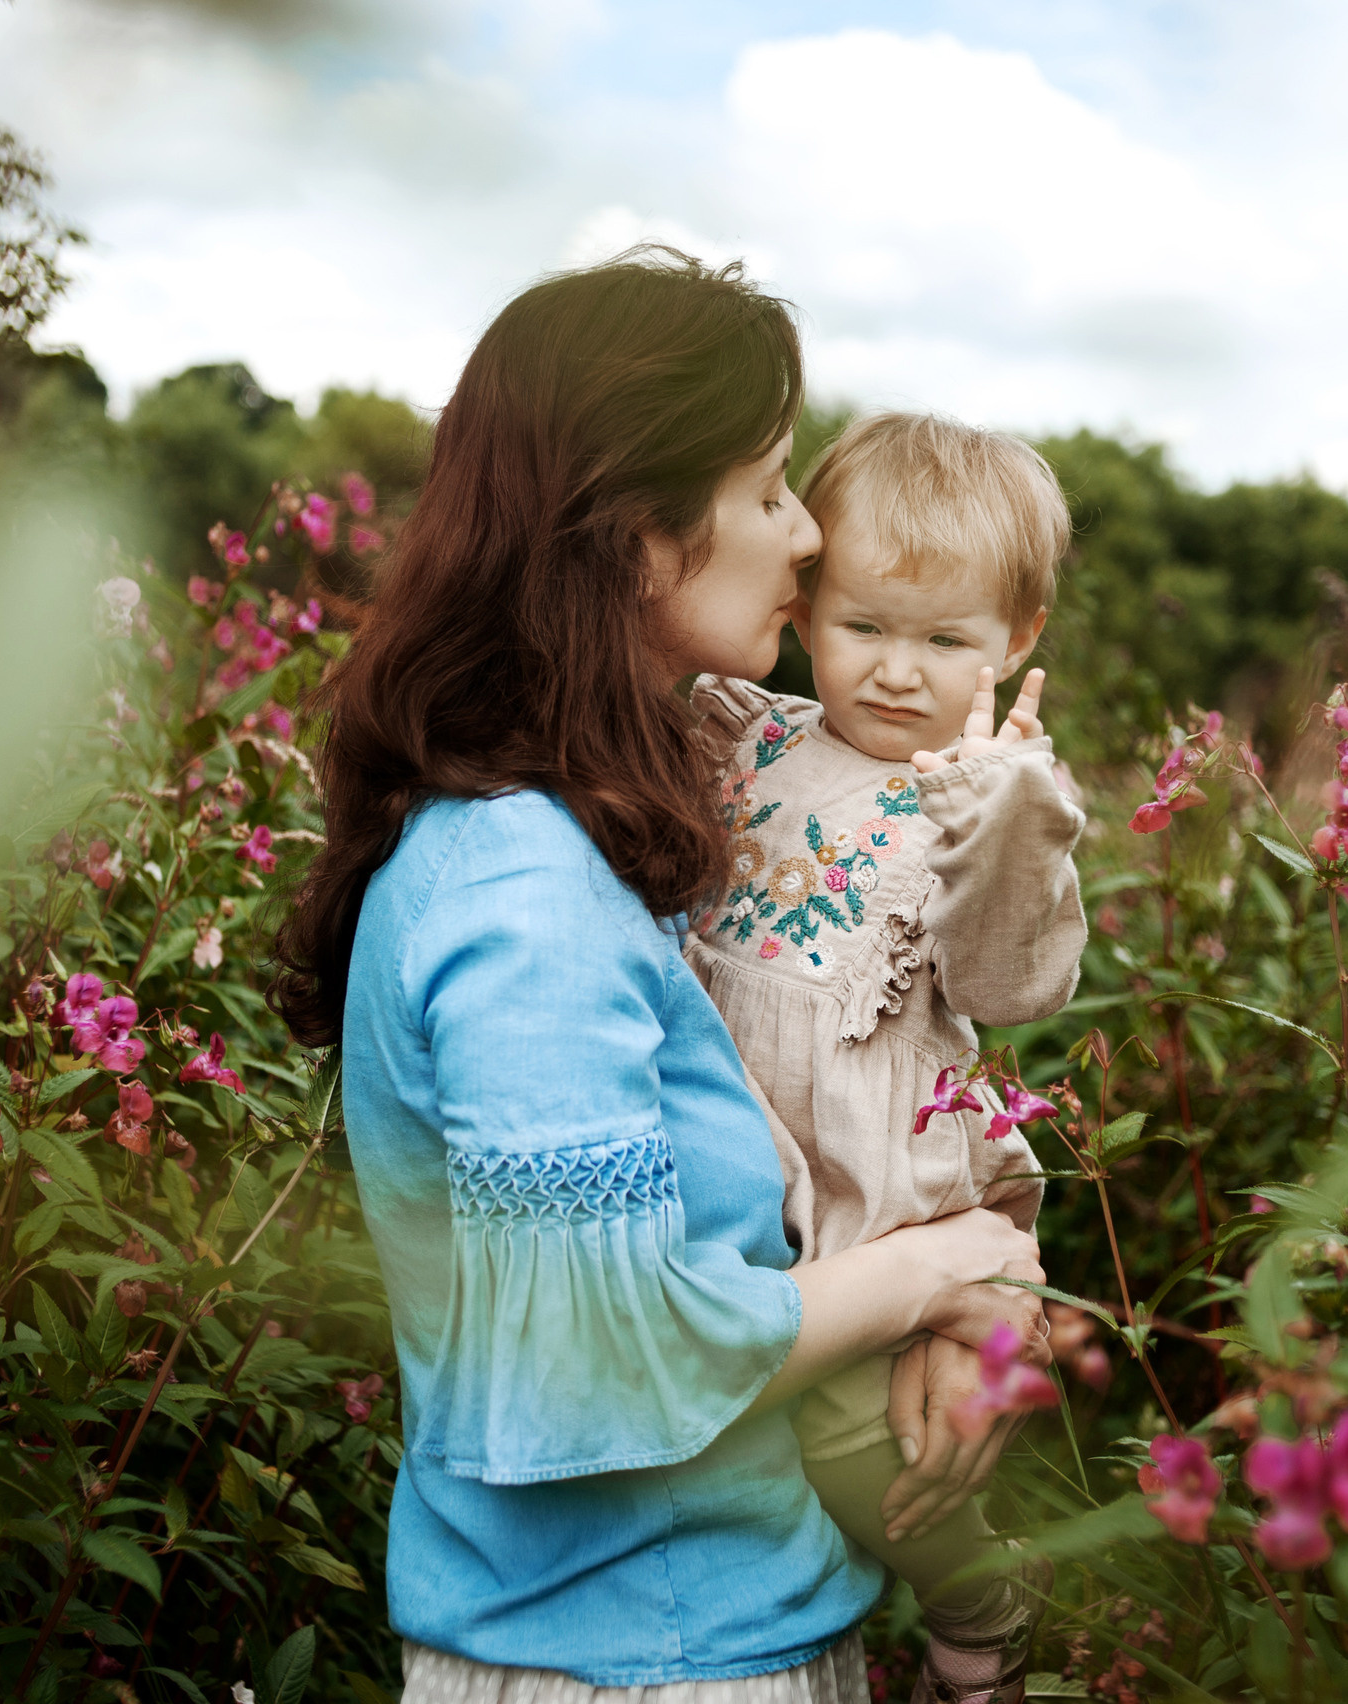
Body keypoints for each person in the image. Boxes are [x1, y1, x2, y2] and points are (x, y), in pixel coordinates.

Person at [273, 249, 1049, 1704]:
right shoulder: (525, 903)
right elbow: (603, 1364)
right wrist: (940, 1269)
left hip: (692, 1625)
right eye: (767, 487)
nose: (811, 534)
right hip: (644, 1658)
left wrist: (955, 1302)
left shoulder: (567, 835)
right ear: (633, 536)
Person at [684, 411, 1087, 1704]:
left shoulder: (976, 802)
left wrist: (1013, 824)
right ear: (807, 612)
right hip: (743, 1158)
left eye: (947, 641)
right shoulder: (749, 743)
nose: (900, 673)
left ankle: (978, 1608)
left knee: (881, 1452)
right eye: (866, 627)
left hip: (878, 1191)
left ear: (1015, 641)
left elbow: (1015, 982)